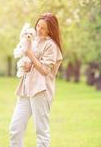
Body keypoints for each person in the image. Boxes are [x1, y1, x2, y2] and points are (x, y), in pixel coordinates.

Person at [9, 13, 63, 147]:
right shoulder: (32, 40)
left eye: (43, 28)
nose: (39, 29)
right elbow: (29, 60)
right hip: (26, 90)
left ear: (51, 29)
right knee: (15, 128)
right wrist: (26, 65)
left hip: (41, 90)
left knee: (41, 132)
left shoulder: (51, 46)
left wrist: (30, 56)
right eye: (38, 26)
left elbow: (45, 70)